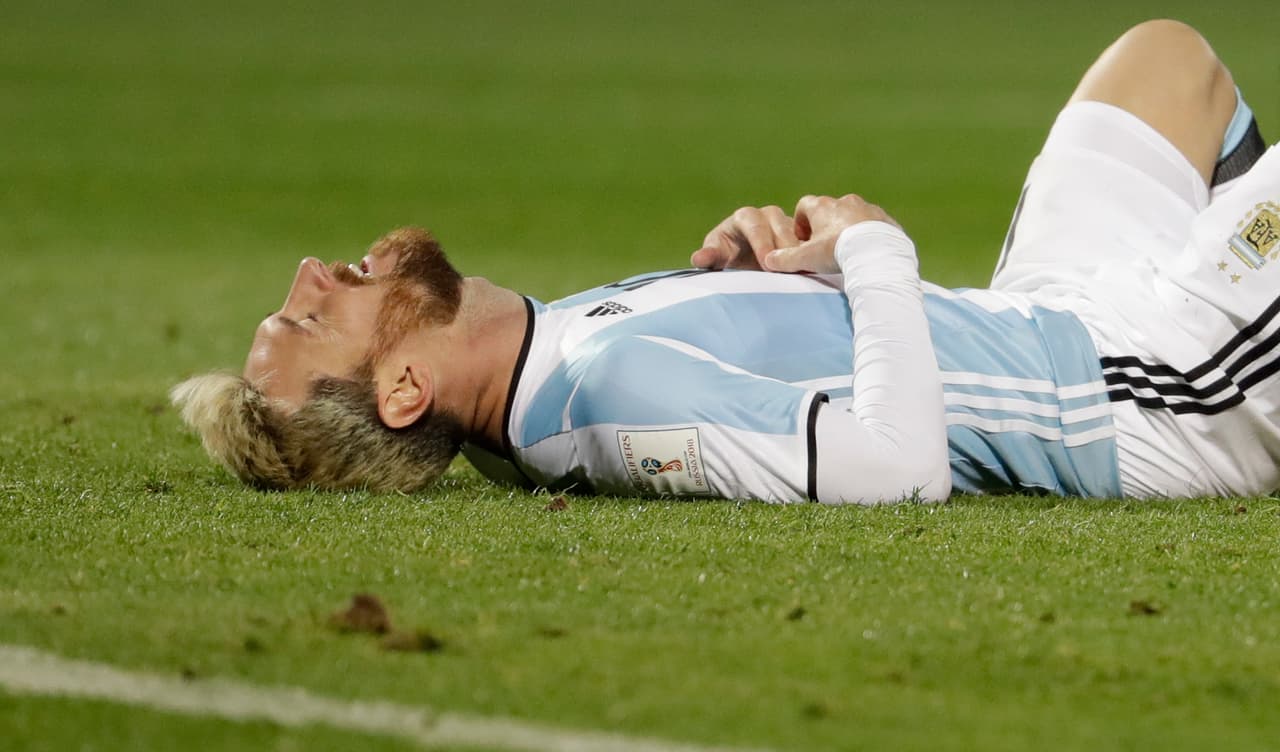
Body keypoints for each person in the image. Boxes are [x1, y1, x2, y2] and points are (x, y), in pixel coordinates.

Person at [172, 20, 1275, 503]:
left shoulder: (533, 379)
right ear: (407, 389)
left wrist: (753, 280)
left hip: (1050, 316)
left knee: (1163, 63)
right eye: (309, 320)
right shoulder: (605, 396)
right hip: (1154, 391)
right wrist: (874, 255)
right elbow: (896, 474)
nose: (311, 272)